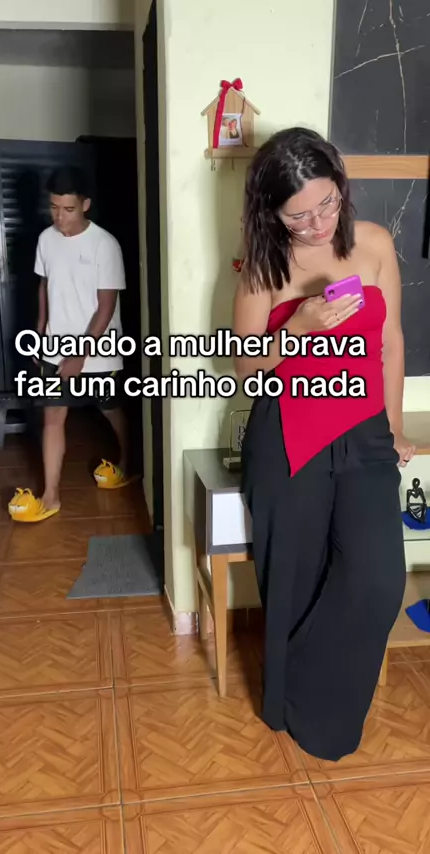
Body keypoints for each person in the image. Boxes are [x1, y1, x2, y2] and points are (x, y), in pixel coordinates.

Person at [233, 127, 417, 761]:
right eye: (298, 215)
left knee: (379, 580)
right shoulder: (264, 266)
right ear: (271, 212)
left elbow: (391, 342)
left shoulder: (375, 244)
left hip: (364, 432)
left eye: (327, 204)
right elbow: (243, 366)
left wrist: (393, 424)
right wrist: (299, 326)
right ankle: (287, 706)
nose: (317, 224)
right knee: (294, 578)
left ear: (341, 187)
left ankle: (310, 692)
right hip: (288, 433)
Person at [8, 165, 133, 523]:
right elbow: (45, 285)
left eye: (68, 209)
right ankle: (51, 496)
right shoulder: (46, 240)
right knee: (53, 416)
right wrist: (40, 331)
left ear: (85, 204)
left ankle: (128, 462)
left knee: (110, 409)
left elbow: (106, 305)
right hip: (55, 345)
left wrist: (81, 354)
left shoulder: (105, 245)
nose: (60, 217)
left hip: (99, 350)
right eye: (54, 207)